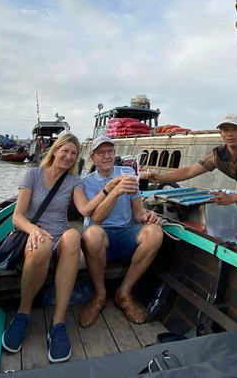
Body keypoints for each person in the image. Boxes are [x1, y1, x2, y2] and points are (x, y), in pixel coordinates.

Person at [1, 133, 99, 363]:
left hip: (60, 238)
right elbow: (17, 217)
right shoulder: (33, 175)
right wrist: (33, 230)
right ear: (55, 151)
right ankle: (23, 314)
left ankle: (58, 322)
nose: (68, 156)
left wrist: (109, 190)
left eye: (73, 153)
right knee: (42, 243)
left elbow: (84, 210)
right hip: (34, 237)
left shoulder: (74, 181)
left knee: (74, 236)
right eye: (65, 150)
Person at [148, 114, 237, 257]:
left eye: (234, 129)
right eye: (225, 130)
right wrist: (160, 178)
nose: (229, 134)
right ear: (221, 134)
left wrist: (231, 199)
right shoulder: (218, 155)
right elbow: (190, 171)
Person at [76, 136, 164, 328]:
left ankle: (123, 293)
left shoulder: (128, 172)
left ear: (115, 154)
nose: (106, 156)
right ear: (92, 158)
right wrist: (115, 191)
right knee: (92, 234)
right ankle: (99, 295)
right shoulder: (87, 183)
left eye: (110, 152)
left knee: (155, 232)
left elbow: (137, 210)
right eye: (101, 153)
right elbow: (96, 219)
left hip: (125, 234)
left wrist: (147, 216)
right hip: (102, 238)